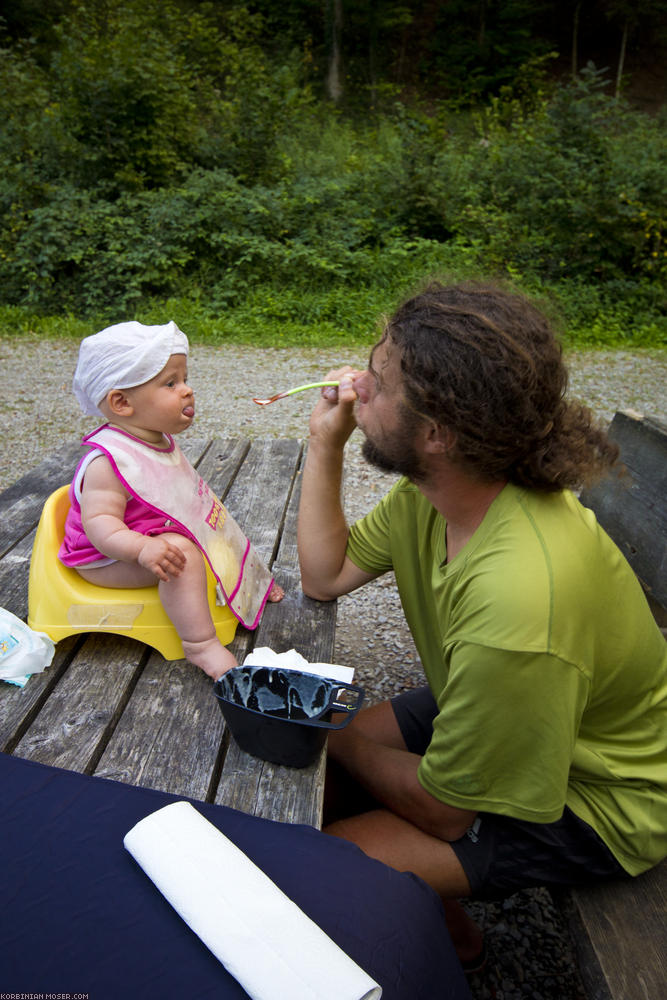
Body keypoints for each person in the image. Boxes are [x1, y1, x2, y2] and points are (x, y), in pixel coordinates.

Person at [297, 280, 667, 971]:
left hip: (598, 798)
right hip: (511, 702)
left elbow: (444, 812)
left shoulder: (518, 600)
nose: (354, 386)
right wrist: (326, 445)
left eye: (376, 381)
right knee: (304, 771)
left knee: (311, 867)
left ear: (437, 433)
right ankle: (446, 927)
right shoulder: (442, 493)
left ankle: (439, 955)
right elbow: (326, 573)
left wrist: (340, 734)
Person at [59, 320, 283, 680]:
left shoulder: (156, 439)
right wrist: (140, 550)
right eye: (170, 383)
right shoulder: (109, 462)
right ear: (122, 402)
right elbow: (100, 526)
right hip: (104, 557)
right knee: (184, 555)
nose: (187, 390)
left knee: (209, 521)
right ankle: (200, 644)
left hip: (144, 535)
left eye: (184, 379)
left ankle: (248, 584)